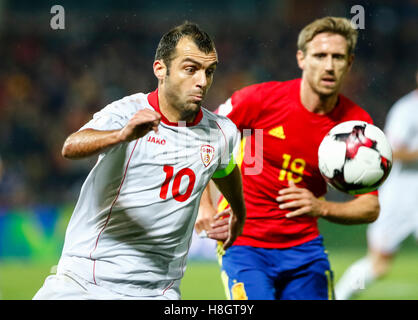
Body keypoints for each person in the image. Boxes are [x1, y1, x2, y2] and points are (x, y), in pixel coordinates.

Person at [33, 22, 246, 300]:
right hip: (87, 281)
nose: (202, 81)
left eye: (209, 71)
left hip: (159, 291)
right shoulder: (127, 112)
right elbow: (70, 146)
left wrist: (239, 213)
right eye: (190, 69)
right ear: (161, 69)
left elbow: (225, 167)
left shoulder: (222, 132)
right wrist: (121, 136)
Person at [196, 16, 380, 300]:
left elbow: (369, 207)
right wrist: (205, 207)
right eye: (320, 55)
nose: (329, 65)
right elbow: (204, 138)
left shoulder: (355, 126)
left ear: (350, 62)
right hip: (245, 245)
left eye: (338, 57)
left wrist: (322, 207)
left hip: (305, 251)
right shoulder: (259, 101)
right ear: (301, 58)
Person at [335, 71, 418, 300]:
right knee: (379, 264)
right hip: (401, 197)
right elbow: (393, 151)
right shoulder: (407, 110)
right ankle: (339, 296)